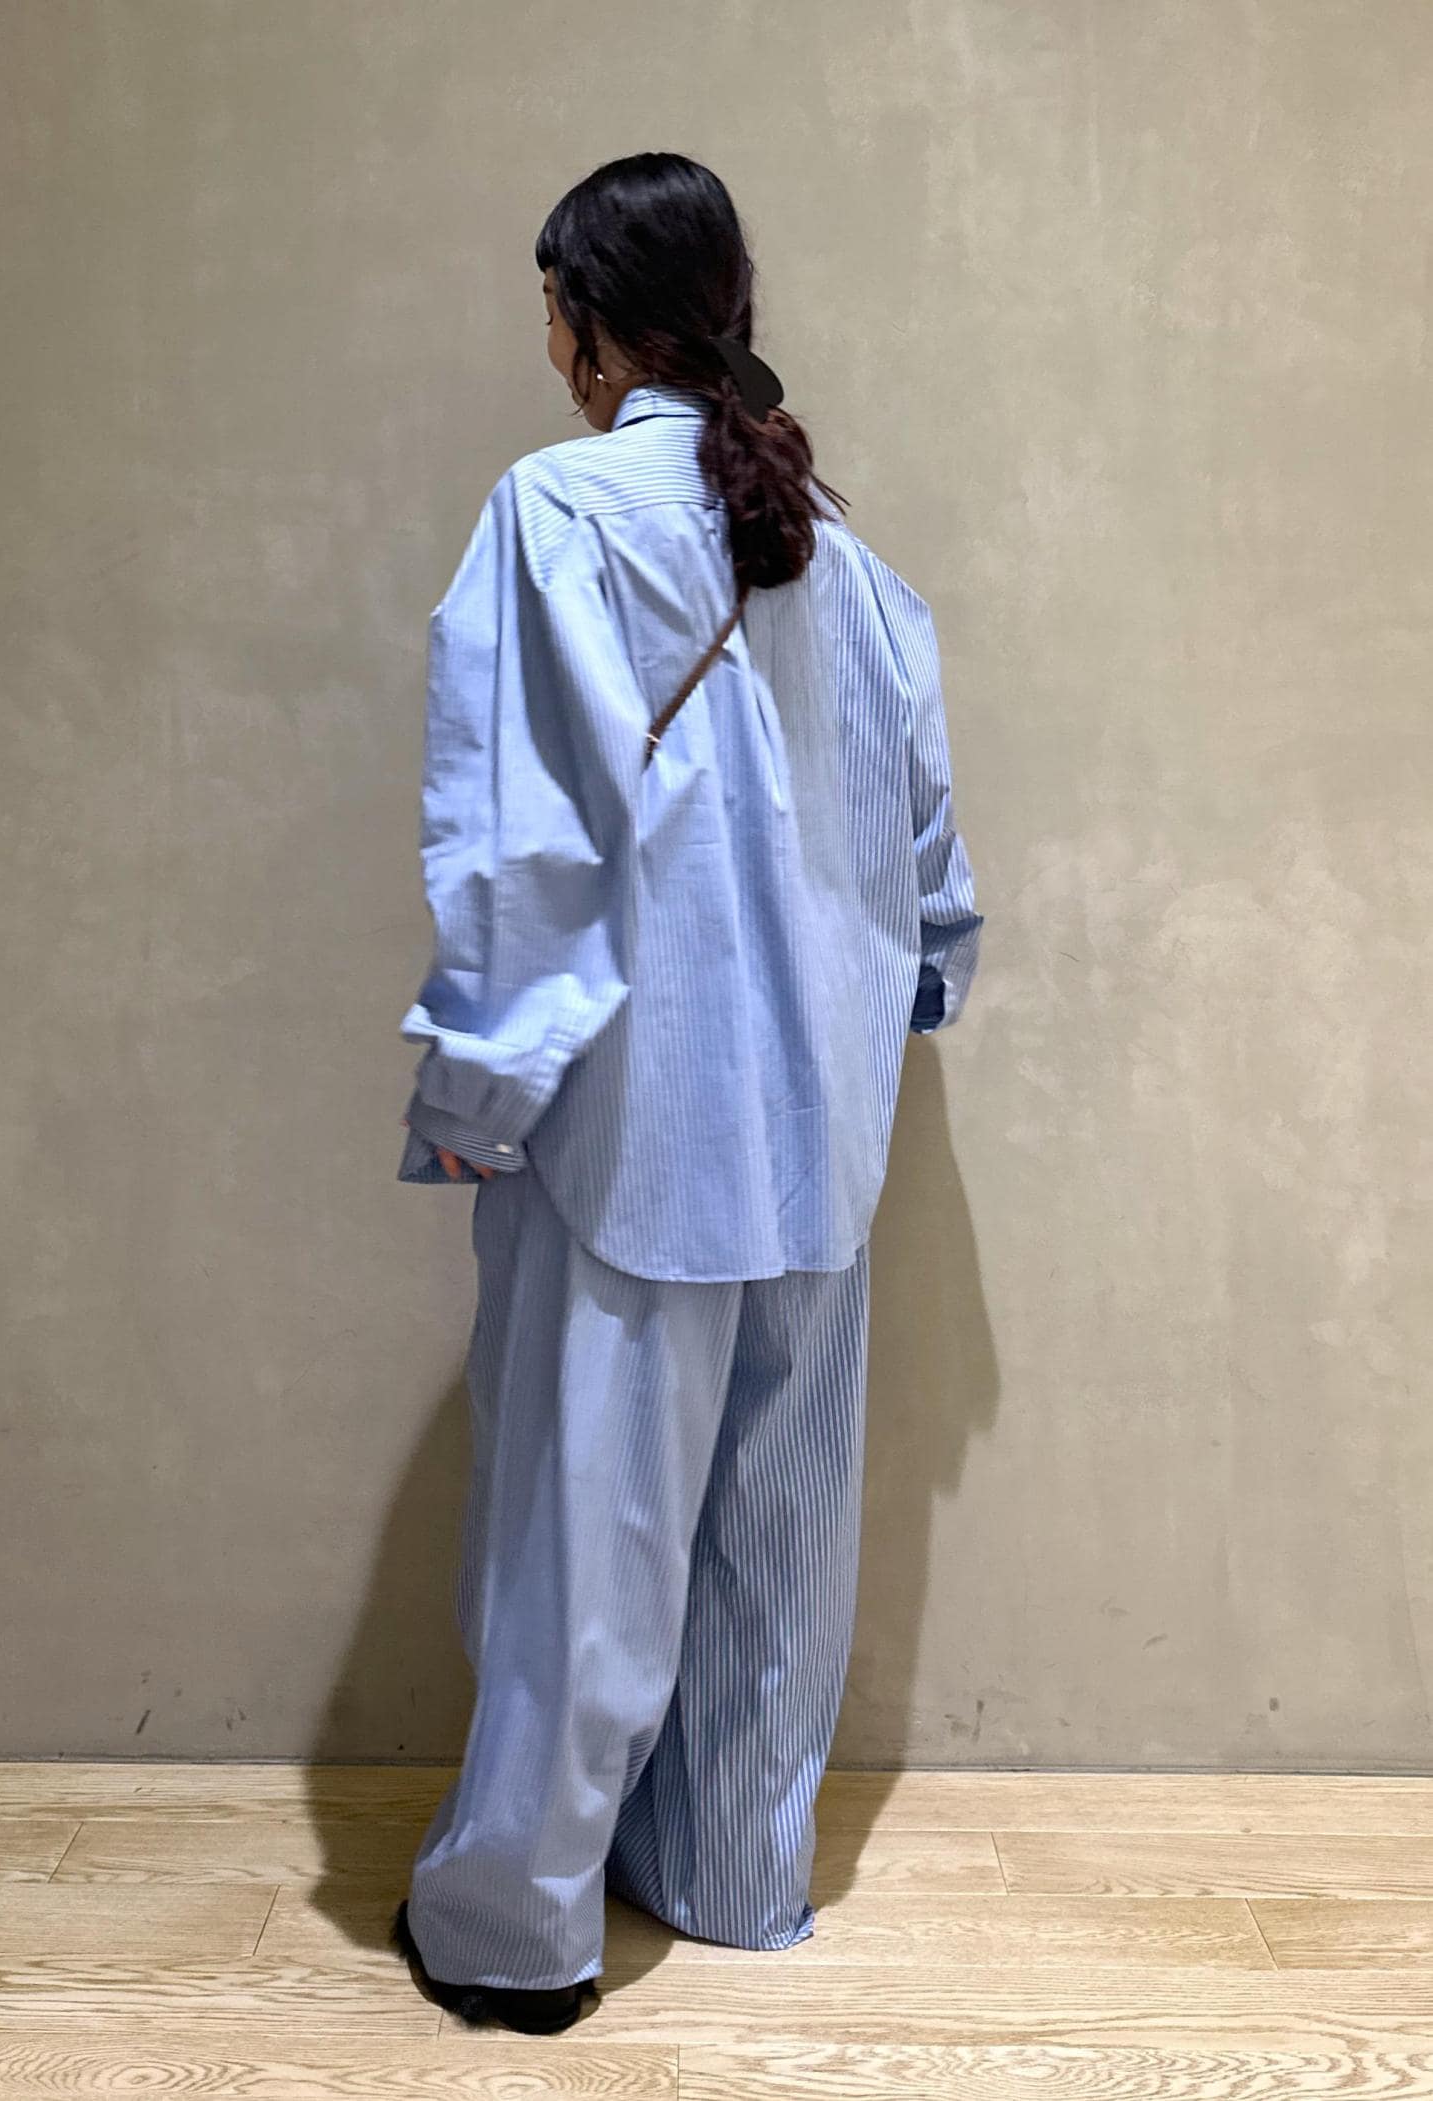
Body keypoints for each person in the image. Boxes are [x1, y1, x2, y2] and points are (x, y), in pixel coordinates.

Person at [389, 151, 983, 2035]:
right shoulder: (850, 566)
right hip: (825, 1145)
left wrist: (481, 1097)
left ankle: (517, 1935)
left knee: (588, 1543)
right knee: (774, 1545)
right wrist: (877, 1015)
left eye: (549, 314)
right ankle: (734, 1878)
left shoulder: (558, 512)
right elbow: (934, 888)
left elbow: (521, 845)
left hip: (637, 1126)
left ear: (588, 329)